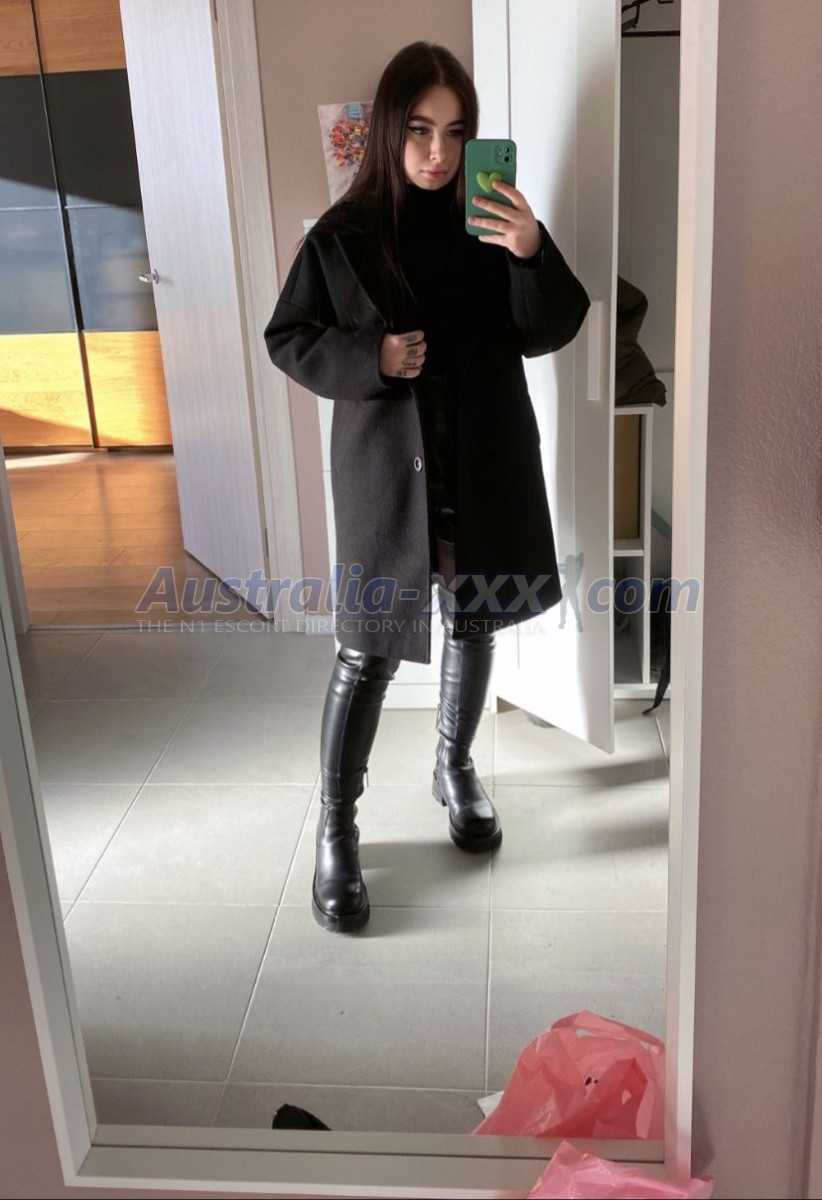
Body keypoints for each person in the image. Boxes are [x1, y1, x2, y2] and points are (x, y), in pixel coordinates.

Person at [264, 41, 591, 934]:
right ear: (388, 129)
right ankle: (337, 830)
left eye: (454, 131)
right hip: (386, 476)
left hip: (480, 463)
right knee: (365, 652)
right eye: (419, 130)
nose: (439, 152)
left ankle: (454, 766)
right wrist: (371, 357)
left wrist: (530, 249)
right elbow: (288, 337)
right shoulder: (342, 235)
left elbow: (550, 325)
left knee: (474, 621)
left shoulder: (491, 225)